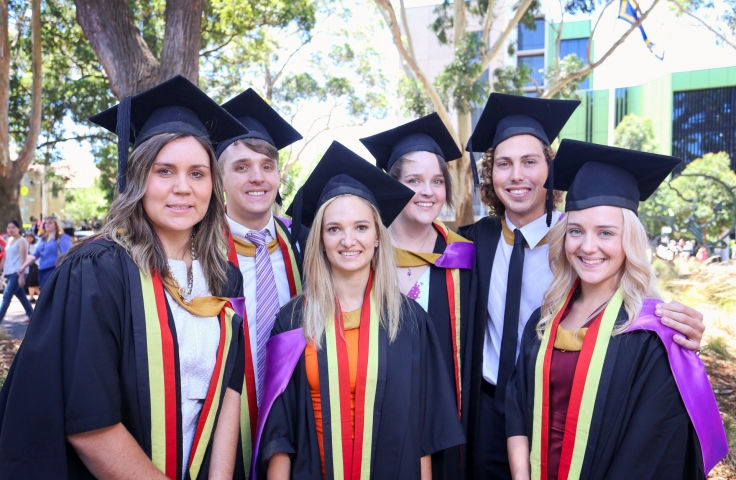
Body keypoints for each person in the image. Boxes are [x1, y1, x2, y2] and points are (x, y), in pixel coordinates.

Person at [0, 75, 249, 479]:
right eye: (164, 171)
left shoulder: (225, 280)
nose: (183, 188)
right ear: (137, 178)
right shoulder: (99, 271)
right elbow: (89, 424)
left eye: (198, 173)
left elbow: (229, 392)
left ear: (213, 185)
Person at [457, 93, 707, 479]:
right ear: (490, 174)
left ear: (549, 171)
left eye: (530, 162)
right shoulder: (472, 242)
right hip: (489, 411)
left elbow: (631, 286)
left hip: (576, 409)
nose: (517, 175)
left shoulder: (575, 234)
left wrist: (682, 329)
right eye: (504, 164)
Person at [506, 140, 727, 480]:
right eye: (576, 231)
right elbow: (518, 408)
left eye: (606, 233)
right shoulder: (543, 321)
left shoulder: (651, 335)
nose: (587, 246)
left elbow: (651, 451)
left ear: (630, 241)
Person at [253, 142, 465, 479]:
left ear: (379, 237)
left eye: (361, 227)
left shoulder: (410, 321)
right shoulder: (293, 320)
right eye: (334, 229)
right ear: (320, 238)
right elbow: (281, 434)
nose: (348, 240)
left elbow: (425, 436)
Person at [360, 113, 475, 479]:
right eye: (414, 180)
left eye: (437, 181)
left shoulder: (464, 257)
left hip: (446, 422)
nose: (427, 191)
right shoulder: (363, 254)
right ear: (391, 185)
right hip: (375, 418)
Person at [215, 88, 307, 474]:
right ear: (219, 176)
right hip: (219, 434)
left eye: (267, 166)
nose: (258, 177)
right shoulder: (198, 250)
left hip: (297, 433)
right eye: (241, 167)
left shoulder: (304, 244)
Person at [18, 215, 73, 289]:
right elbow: (35, 255)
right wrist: (23, 266)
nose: (47, 225)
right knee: (44, 295)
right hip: (42, 270)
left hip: (55, 270)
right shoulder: (42, 239)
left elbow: (67, 255)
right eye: (45, 223)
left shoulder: (63, 238)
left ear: (56, 225)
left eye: (50, 223)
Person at [0, 221, 34, 323]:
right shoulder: (9, 240)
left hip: (18, 272)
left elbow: (23, 260)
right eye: (9, 227)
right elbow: (5, 257)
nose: (10, 229)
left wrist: (21, 276)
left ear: (19, 228)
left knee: (7, 295)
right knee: (22, 296)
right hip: (9, 272)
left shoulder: (22, 240)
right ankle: (33, 316)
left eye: (13, 227)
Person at [23, 230, 40, 302]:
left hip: (34, 265)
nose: (28, 239)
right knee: (31, 283)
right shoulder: (23, 245)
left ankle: (33, 297)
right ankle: (33, 297)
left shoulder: (35, 246)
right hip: (26, 266)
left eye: (30, 237)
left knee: (32, 282)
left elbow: (34, 256)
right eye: (26, 237)